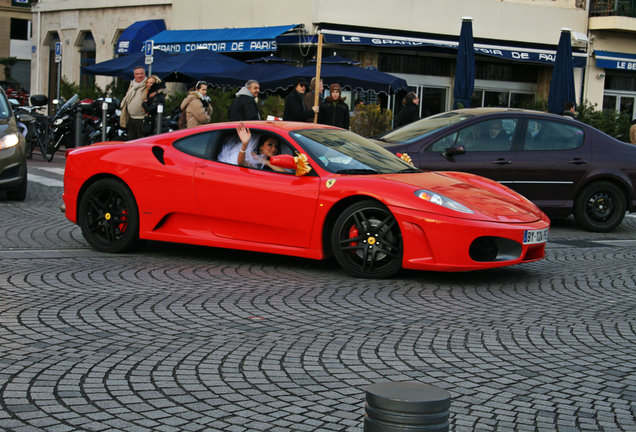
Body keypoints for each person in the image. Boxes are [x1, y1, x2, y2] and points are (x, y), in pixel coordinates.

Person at [217, 125, 286, 172]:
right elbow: (241, 163)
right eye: (270, 145)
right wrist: (245, 144)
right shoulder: (254, 159)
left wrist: (266, 162)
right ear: (261, 147)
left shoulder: (276, 162)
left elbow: (286, 174)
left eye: (276, 146)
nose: (274, 148)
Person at [120, 65, 147, 140]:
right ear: (134, 75)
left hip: (142, 119)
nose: (139, 75)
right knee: (131, 141)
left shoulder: (148, 84)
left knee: (141, 141)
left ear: (144, 74)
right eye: (137, 74)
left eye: (141, 73)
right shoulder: (132, 85)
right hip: (131, 119)